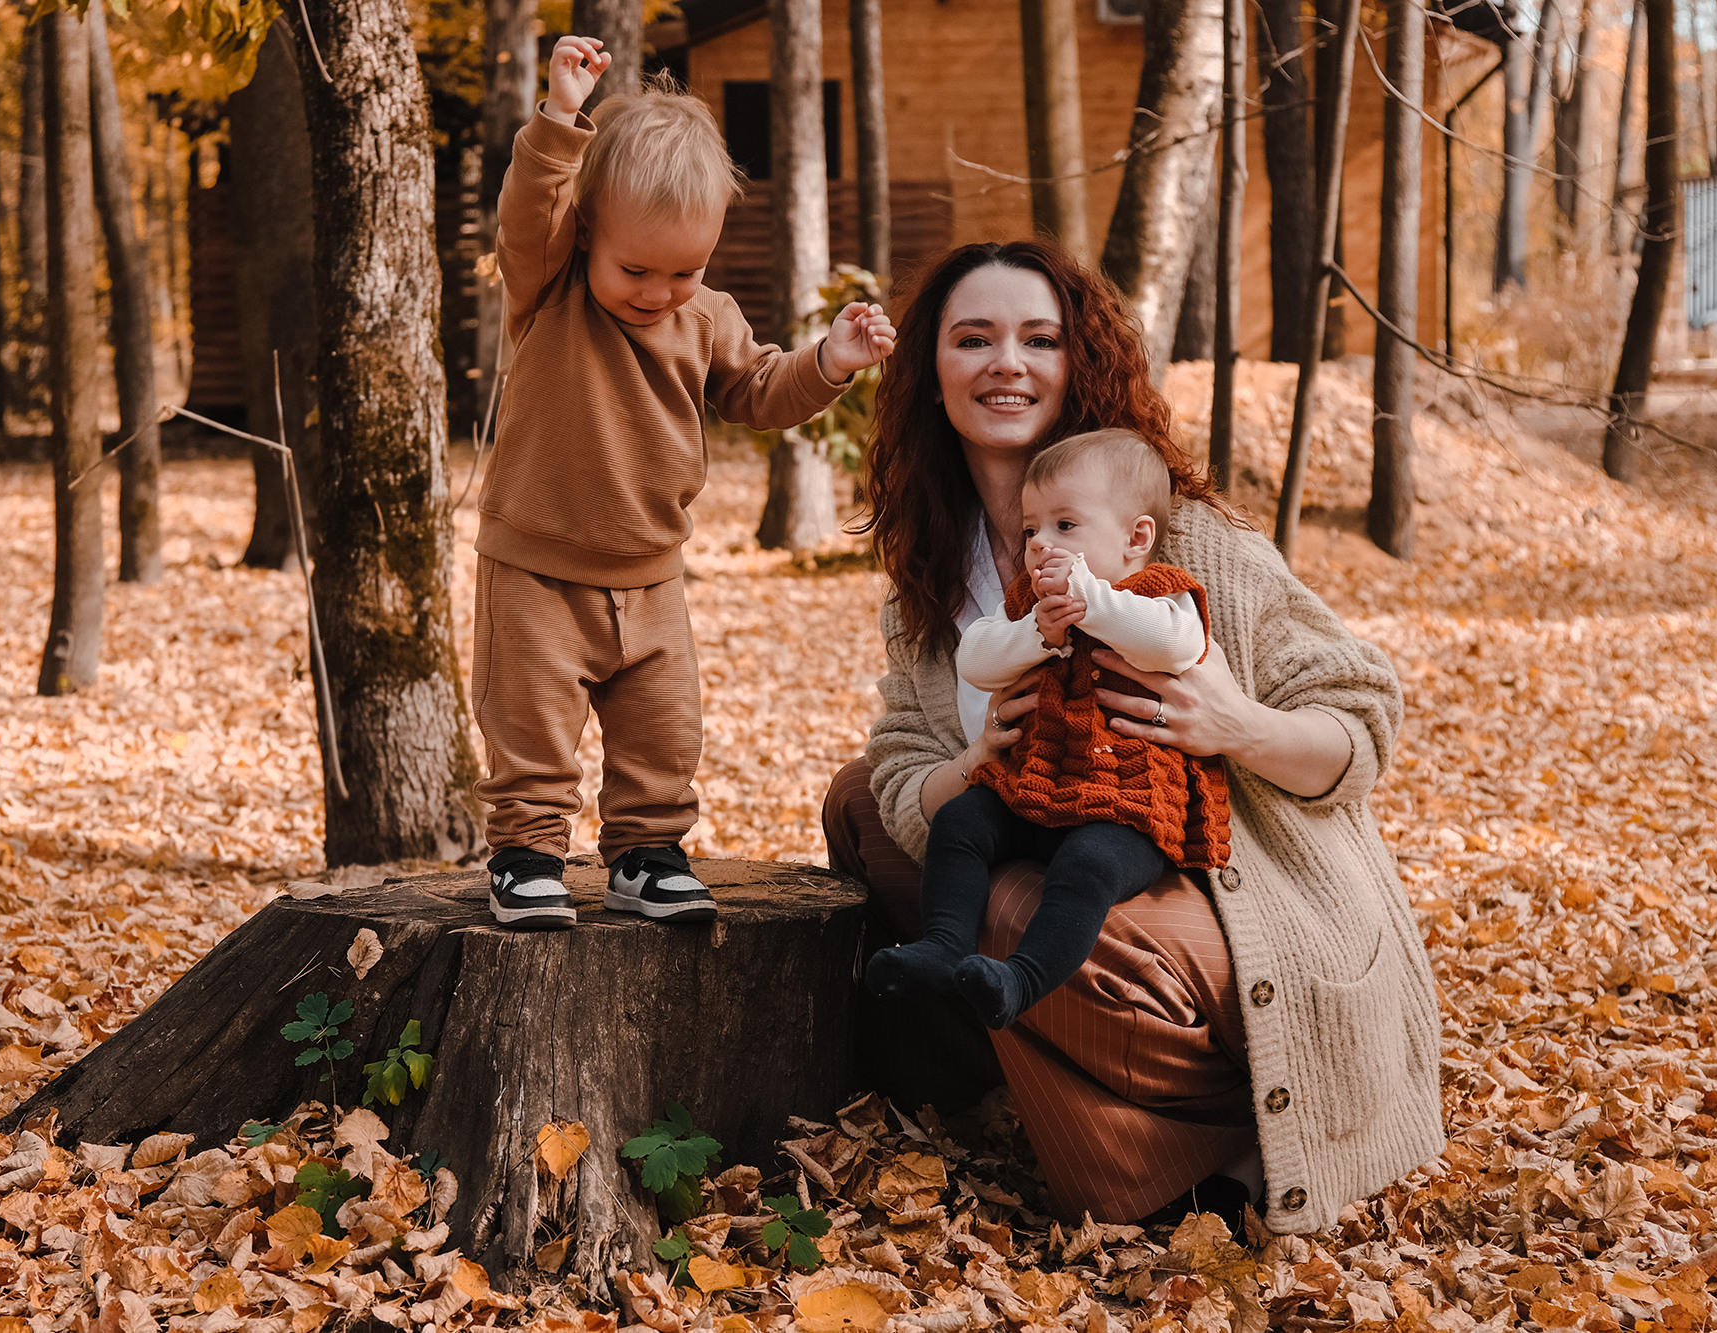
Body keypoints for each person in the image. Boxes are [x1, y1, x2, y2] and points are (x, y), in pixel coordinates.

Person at [823, 239, 1444, 1235]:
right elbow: (897, 768)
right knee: (864, 807)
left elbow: (1360, 714)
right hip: (1045, 848)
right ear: (929, 374)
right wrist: (964, 768)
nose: (1005, 363)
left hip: (1219, 896)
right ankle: (1040, 1097)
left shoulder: (1181, 542)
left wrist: (1234, 723)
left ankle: (1214, 1159)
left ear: (1077, 364)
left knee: (1021, 906)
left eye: (1038, 338)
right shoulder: (931, 585)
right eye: (970, 338)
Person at [475, 36, 895, 929]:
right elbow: (526, 212)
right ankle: (525, 855)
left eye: (685, 270)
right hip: (537, 567)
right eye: (637, 269)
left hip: (654, 575)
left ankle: (646, 853)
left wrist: (830, 359)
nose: (660, 292)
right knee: (532, 728)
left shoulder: (706, 317)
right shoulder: (551, 287)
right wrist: (559, 115)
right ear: (586, 233)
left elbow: (760, 389)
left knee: (663, 732)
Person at [865, 429, 1232, 1032]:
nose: (1040, 545)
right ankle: (943, 945)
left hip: (1129, 810)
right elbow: (978, 661)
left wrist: (1094, 603)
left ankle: (1021, 979)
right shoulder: (1030, 606)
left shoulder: (1163, 595)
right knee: (962, 821)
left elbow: (1175, 644)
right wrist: (1037, 632)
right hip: (1036, 792)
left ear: (1136, 537)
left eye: (1066, 526)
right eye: (1032, 529)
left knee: (1086, 866)